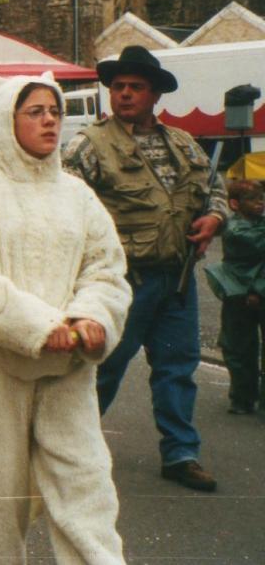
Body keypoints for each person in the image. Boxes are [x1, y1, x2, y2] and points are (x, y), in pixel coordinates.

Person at [0, 73, 131, 564]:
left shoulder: (78, 196)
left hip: (69, 371)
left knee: (87, 492)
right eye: (35, 112)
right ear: (7, 119)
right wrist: (41, 327)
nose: (50, 121)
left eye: (55, 112)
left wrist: (92, 317)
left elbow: (105, 269)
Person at [63, 44, 228, 492]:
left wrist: (215, 218)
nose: (125, 94)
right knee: (102, 368)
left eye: (136, 87)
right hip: (121, 283)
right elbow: (65, 205)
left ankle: (181, 454)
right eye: (118, 86)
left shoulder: (184, 143)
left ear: (155, 94)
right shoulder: (88, 145)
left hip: (177, 281)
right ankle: (70, 450)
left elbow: (215, 189)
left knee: (177, 369)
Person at [204, 179, 265, 414]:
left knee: (240, 346)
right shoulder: (237, 231)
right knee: (239, 348)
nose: (260, 203)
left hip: (251, 291)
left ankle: (248, 398)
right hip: (239, 294)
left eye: (262, 198)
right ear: (235, 204)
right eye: (252, 199)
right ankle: (242, 397)